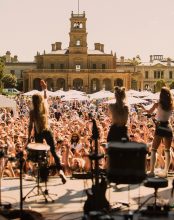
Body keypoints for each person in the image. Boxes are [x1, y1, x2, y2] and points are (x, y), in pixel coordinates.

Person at [28, 80, 66, 184]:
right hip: (47, 130)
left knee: (40, 155)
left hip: (38, 132)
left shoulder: (32, 112)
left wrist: (28, 138)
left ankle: (42, 175)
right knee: (53, 152)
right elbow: (45, 98)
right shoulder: (44, 107)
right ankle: (60, 171)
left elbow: (30, 125)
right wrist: (45, 88)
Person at [141, 87, 174, 177]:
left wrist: (143, 107)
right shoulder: (172, 104)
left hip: (160, 127)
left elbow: (148, 112)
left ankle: (151, 171)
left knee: (154, 149)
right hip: (168, 126)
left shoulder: (157, 104)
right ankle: (166, 171)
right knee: (167, 150)